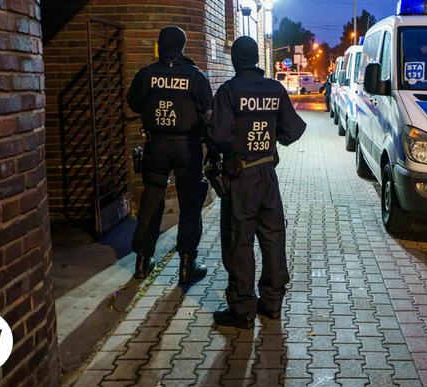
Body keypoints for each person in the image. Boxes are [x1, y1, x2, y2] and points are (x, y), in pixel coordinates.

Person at [207, 36, 306, 329]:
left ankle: (242, 310)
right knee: (273, 236)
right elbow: (293, 130)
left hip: (240, 179)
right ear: (256, 60)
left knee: (240, 241)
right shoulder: (275, 89)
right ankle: (272, 304)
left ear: (236, 60)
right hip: (267, 175)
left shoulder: (228, 91)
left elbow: (218, 136)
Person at [126, 26, 213, 285]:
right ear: (182, 47)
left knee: (151, 199)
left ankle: (143, 262)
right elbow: (208, 112)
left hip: (156, 145)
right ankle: (187, 265)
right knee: (190, 204)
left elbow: (134, 103)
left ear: (160, 46)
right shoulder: (196, 77)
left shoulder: (147, 74)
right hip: (188, 147)